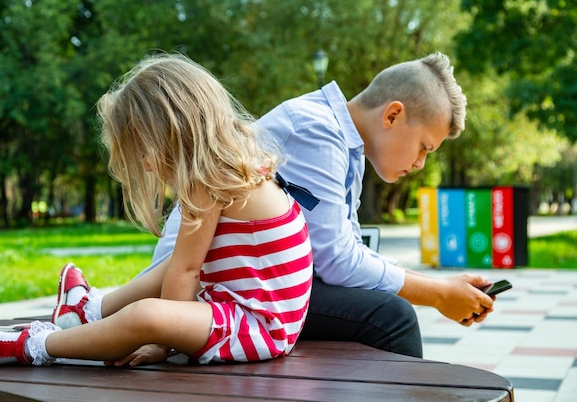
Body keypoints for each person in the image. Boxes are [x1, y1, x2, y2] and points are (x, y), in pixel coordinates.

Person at [0, 54, 315, 369]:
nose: (144, 163)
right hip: (259, 314)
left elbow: (188, 273)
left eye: (142, 149)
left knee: (147, 315)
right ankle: (90, 309)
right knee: (171, 265)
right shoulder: (230, 164)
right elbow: (186, 266)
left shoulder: (207, 181)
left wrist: (163, 339)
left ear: (171, 134)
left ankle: (32, 346)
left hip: (257, 329)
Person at [140, 52, 495, 359]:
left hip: (243, 281)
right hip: (202, 289)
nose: (420, 164)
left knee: (381, 310)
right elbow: (336, 262)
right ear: (392, 115)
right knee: (392, 317)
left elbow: (348, 251)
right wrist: (437, 295)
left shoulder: (347, 144)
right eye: (424, 147)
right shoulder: (317, 132)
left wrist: (443, 286)